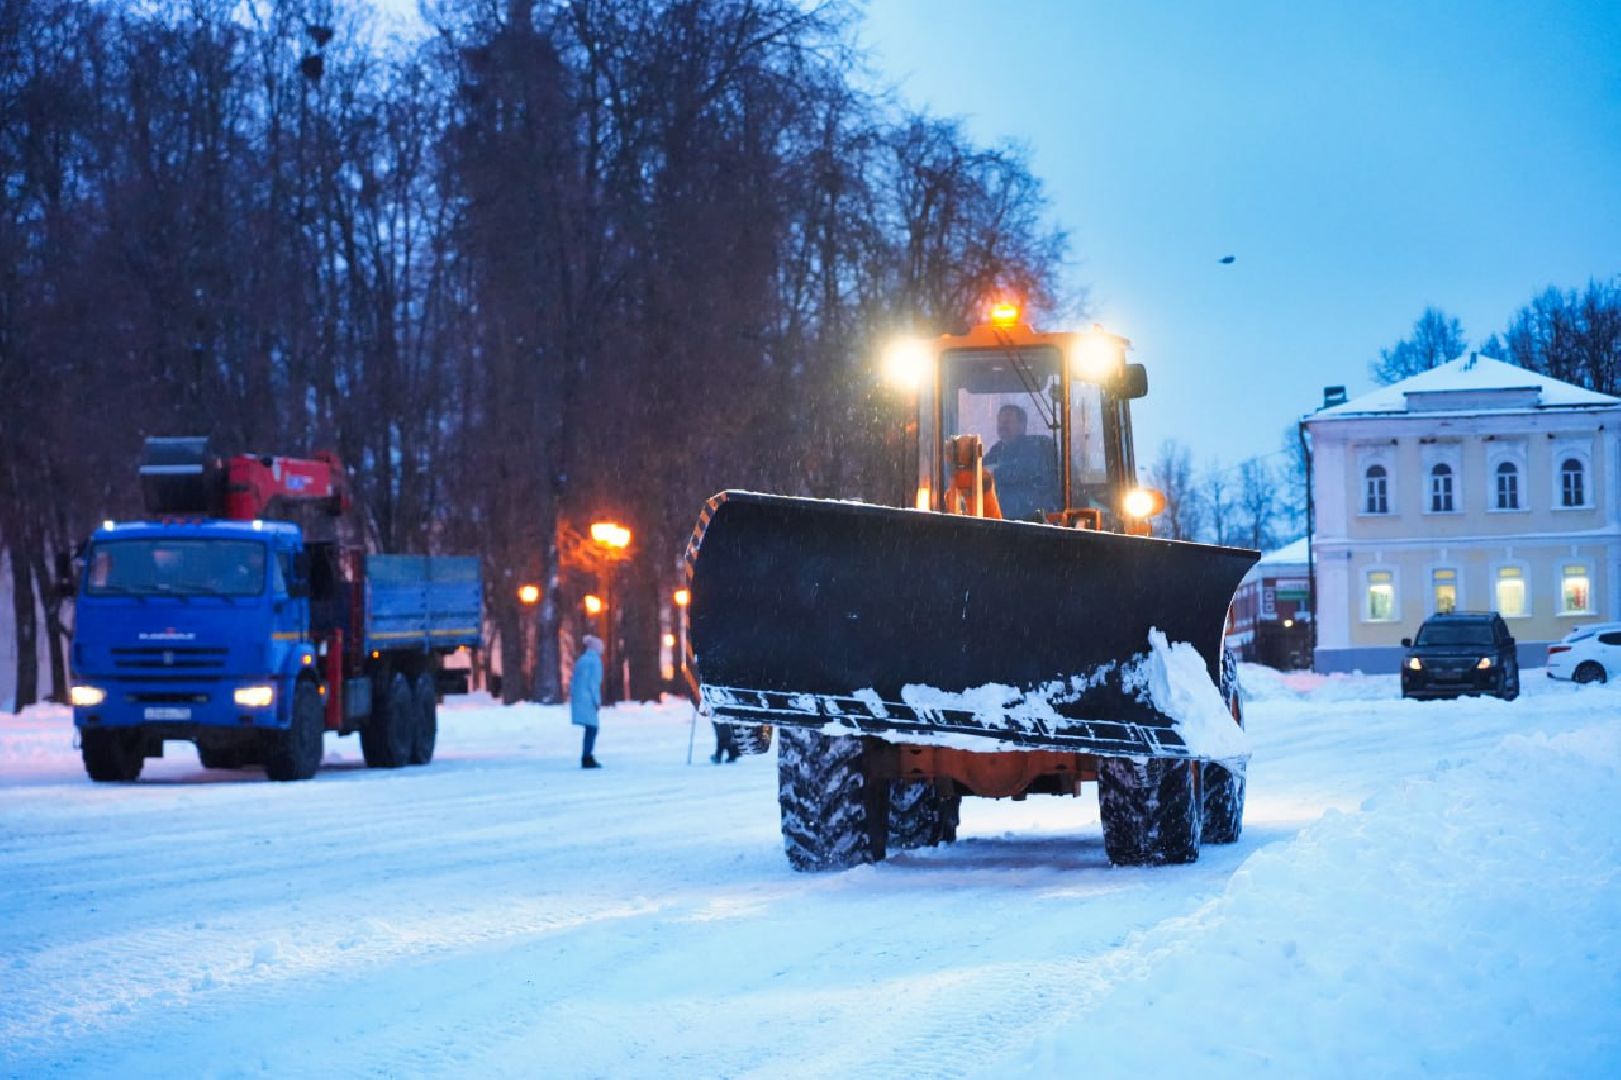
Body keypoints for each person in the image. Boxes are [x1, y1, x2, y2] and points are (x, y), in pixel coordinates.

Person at [984, 403, 1059, 520]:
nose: (1002, 426)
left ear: (1022, 425)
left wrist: (993, 473)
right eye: (1000, 422)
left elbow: (1022, 470)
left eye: (1007, 422)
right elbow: (981, 471)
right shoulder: (997, 450)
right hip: (998, 521)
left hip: (1032, 522)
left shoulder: (1036, 447)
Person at [571, 635, 604, 769]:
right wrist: (597, 701)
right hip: (588, 699)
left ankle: (587, 755)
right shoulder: (595, 662)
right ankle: (587, 757)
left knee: (590, 728)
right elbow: (594, 683)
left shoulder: (582, 660)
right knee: (592, 728)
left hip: (579, 698)